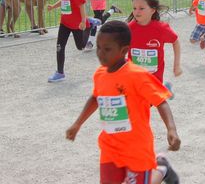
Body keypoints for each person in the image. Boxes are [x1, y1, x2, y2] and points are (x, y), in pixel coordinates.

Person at [66, 21, 181, 184]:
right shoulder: (100, 74)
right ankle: (161, 168)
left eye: (107, 49)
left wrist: (171, 130)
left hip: (137, 149)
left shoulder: (137, 75)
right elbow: (95, 98)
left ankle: (162, 169)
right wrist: (77, 124)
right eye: (98, 47)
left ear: (124, 50)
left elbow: (161, 102)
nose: (100, 53)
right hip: (110, 147)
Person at [127, 0, 182, 88]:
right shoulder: (129, 29)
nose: (136, 11)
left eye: (141, 8)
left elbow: (175, 42)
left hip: (154, 79)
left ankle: (163, 91)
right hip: (134, 77)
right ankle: (164, 91)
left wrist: (176, 65)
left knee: (149, 102)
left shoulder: (161, 29)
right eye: (134, 8)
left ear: (152, 10)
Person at [46, 0, 87, 83]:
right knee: (60, 46)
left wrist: (83, 21)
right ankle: (60, 72)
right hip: (64, 23)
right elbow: (64, 0)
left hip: (76, 24)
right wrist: (53, 6)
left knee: (81, 47)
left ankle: (91, 26)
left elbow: (81, 5)